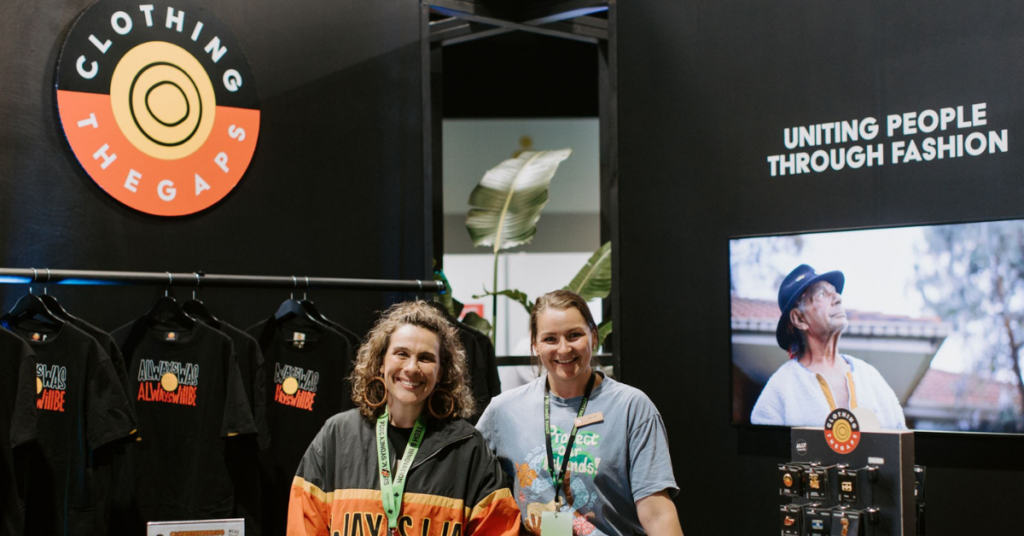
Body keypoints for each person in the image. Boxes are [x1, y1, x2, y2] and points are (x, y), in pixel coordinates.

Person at [287, 301, 521, 536]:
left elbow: (498, 529)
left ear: (440, 373)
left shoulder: (468, 447)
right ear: (381, 363)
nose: (412, 367)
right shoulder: (337, 436)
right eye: (401, 353)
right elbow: (304, 526)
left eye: (426, 358)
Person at [477, 290, 684, 536]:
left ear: (593, 336)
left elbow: (657, 512)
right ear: (535, 344)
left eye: (574, 335)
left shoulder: (632, 407)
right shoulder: (504, 411)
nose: (564, 349)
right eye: (550, 339)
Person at [751, 264, 908, 429]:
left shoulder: (870, 377)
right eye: (821, 294)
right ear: (799, 319)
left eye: (835, 292)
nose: (838, 299)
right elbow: (764, 448)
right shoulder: (781, 387)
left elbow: (900, 441)